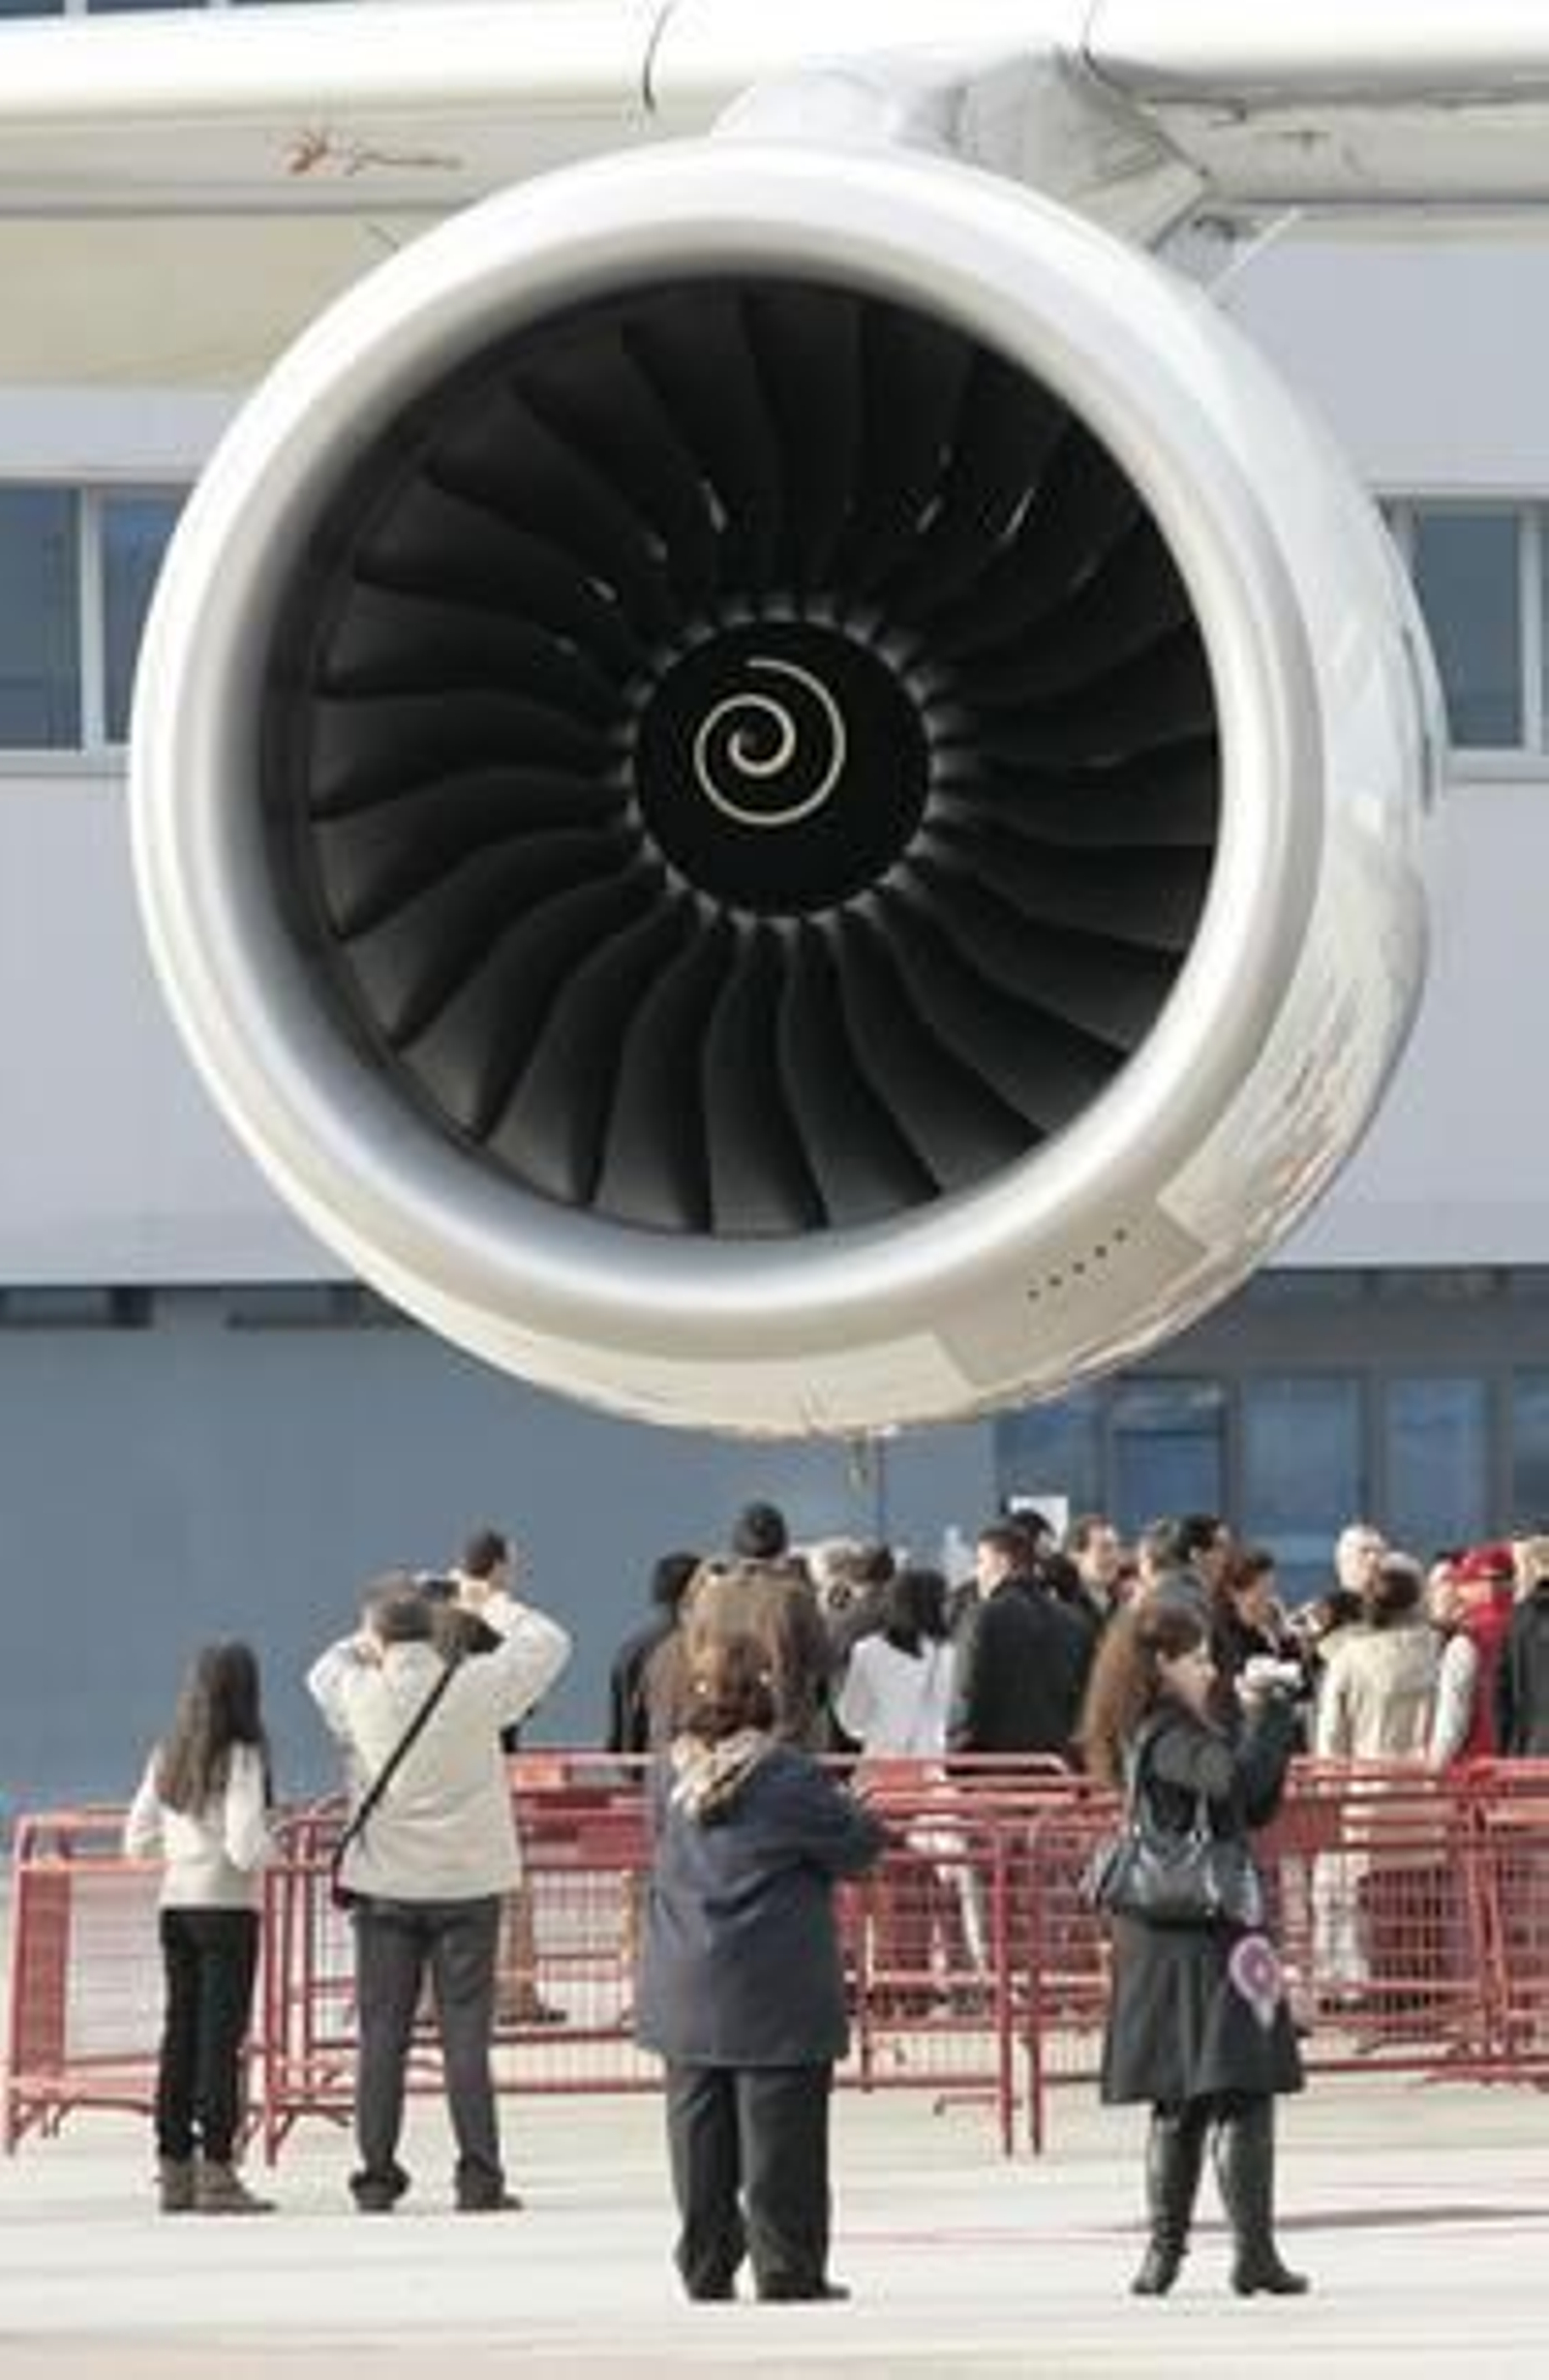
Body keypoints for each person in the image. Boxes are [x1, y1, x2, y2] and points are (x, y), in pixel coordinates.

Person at [635, 1628, 887, 2304]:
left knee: (698, 2134)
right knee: (782, 2140)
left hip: (684, 1971)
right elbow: (857, 1846)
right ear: (767, 1693)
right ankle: (786, 2267)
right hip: (773, 1978)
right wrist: (862, 1814)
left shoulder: (667, 1772)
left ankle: (705, 2263)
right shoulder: (786, 1776)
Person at [307, 1574, 570, 2212]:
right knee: (466, 2038)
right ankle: (479, 2176)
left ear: (379, 1635)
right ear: (434, 1629)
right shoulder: (476, 1685)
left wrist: (367, 1635)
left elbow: (322, 1669)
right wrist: (486, 1597)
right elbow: (550, 1641)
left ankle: (376, 2176)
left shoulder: (358, 1690)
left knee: (382, 2037)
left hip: (384, 1887)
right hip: (467, 1884)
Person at [1081, 1602, 1307, 2298]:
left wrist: (1269, 1722)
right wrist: (1269, 1711)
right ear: (1161, 1664)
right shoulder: (1168, 1730)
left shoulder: (1158, 1728)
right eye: (1197, 1658)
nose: (1210, 1669)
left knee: (1182, 2095)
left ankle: (1170, 2255)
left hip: (1173, 1931)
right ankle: (1244, 2253)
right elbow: (1234, 1782)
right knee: (1239, 2087)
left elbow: (1252, 1801)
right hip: (1203, 1930)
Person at [124, 1641, 276, 2214]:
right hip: (226, 1908)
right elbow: (244, 1845)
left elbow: (137, 1840)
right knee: (220, 2041)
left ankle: (174, 2167)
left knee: (180, 2035)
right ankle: (218, 2169)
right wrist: (272, 1846)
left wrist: (182, 1850)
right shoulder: (242, 1756)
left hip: (176, 1905)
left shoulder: (168, 1753)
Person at [948, 1522, 1087, 1763]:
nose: (975, 1572)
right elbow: (1084, 1702)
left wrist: (957, 1761)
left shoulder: (981, 1617)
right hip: (1057, 1768)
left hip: (994, 1768)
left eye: (979, 1561)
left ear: (1002, 1563)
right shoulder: (1074, 1621)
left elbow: (966, 1694)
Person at [606, 1549, 700, 1756]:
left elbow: (619, 1738)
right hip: (698, 1766)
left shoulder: (629, 1652)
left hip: (645, 1767)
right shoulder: (712, 1649)